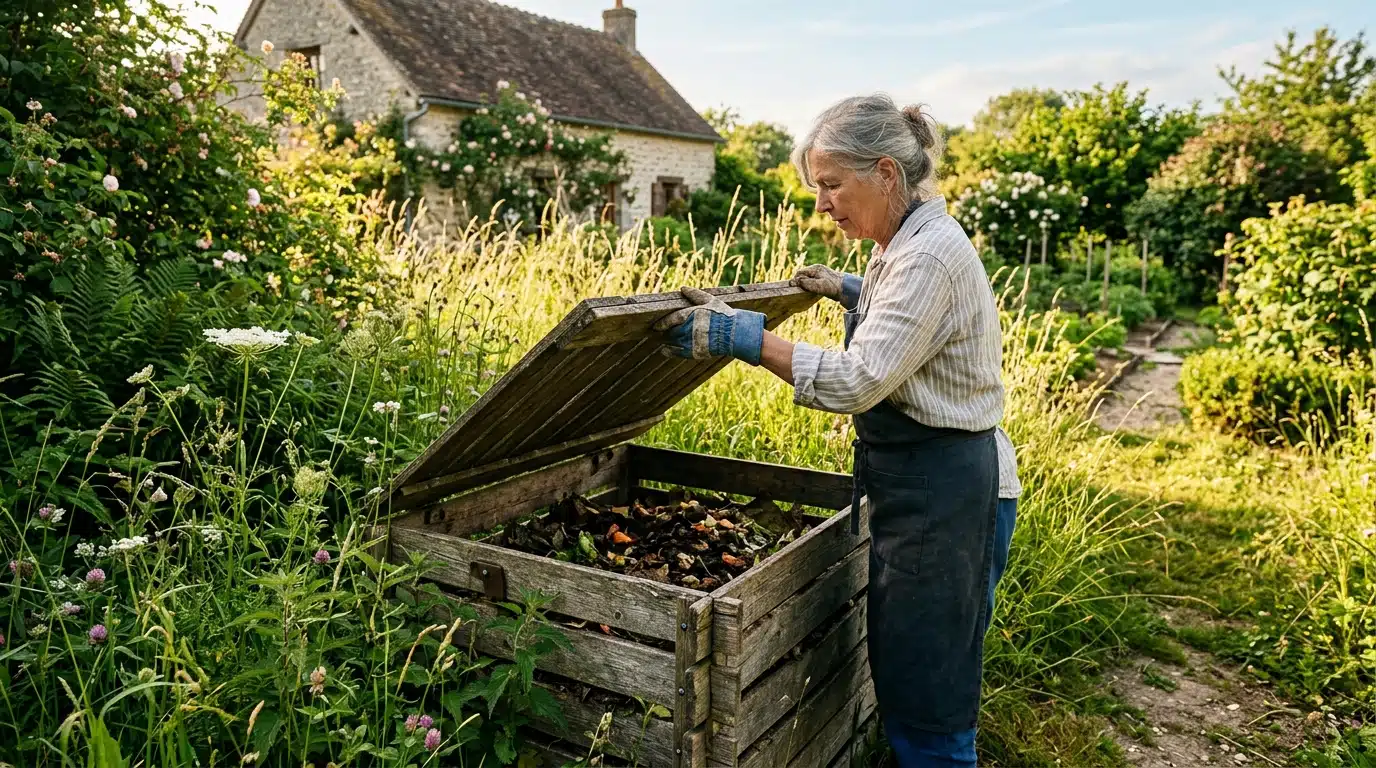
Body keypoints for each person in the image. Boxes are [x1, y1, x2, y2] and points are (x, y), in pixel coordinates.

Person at [654, 93, 1019, 767]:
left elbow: (859, 379)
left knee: (930, 680)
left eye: (830, 184)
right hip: (928, 485)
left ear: (885, 172)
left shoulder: (927, 257)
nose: (821, 203)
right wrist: (854, 290)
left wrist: (745, 338)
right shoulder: (901, 243)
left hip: (949, 494)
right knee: (914, 662)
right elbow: (912, 327)